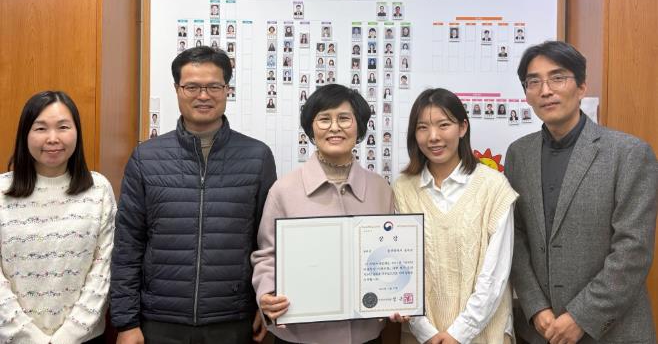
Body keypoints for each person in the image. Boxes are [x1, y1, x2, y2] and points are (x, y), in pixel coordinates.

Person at [111, 47, 277, 344]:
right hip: (159, 321)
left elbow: (268, 242)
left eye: (213, 86)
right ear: (177, 89)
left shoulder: (257, 156)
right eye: (192, 87)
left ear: (227, 90)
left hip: (232, 320)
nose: (203, 95)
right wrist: (126, 322)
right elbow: (128, 245)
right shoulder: (146, 158)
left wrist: (263, 304)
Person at [506, 41, 658, 344]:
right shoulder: (519, 154)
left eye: (557, 78)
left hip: (615, 332)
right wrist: (536, 307)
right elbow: (516, 236)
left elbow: (633, 249)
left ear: (581, 87)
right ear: (526, 93)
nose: (546, 90)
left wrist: (580, 317)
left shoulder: (628, 153)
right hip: (542, 330)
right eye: (534, 82)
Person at [252, 84, 393, 344]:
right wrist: (267, 293)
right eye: (324, 119)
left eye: (344, 119)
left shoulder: (380, 188)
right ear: (311, 129)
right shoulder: (284, 189)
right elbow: (267, 255)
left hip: (364, 334)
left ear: (360, 127)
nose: (334, 127)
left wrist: (397, 294)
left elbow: (388, 253)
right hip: (300, 335)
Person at [392, 88, 518, 344]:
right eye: (423, 127)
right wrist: (425, 332)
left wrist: (459, 334)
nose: (434, 137)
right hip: (421, 335)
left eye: (444, 125)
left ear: (462, 127)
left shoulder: (494, 186)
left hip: (483, 333)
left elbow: (496, 274)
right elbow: (401, 267)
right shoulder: (402, 189)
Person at [0, 91, 116, 344]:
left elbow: (103, 270)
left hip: (83, 339)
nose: (52, 138)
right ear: (25, 134)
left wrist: (67, 337)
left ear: (77, 133)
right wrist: (30, 338)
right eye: (41, 128)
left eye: (63, 127)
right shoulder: (1, 192)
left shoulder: (98, 190)